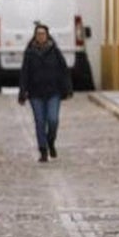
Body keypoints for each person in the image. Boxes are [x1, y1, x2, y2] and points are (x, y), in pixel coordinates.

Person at [18, 23, 73, 162]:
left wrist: (67, 89)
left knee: (53, 120)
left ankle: (50, 141)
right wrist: (22, 92)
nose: (40, 36)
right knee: (40, 122)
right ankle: (43, 150)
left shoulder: (55, 52)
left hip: (53, 92)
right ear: (35, 36)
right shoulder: (30, 53)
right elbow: (24, 73)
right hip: (35, 93)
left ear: (47, 35)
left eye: (43, 34)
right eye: (38, 34)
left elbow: (64, 70)